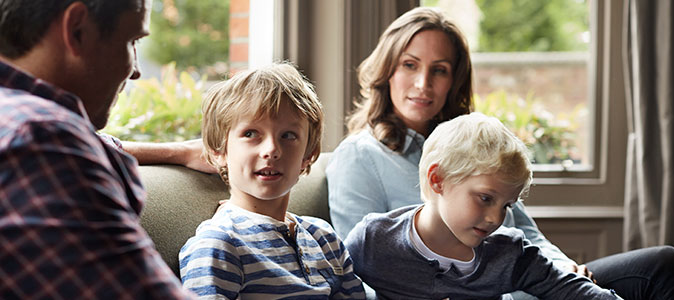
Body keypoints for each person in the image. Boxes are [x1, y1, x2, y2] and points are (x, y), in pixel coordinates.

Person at [326, 6, 674, 300]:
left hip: (533, 284)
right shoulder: (359, 157)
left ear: (454, 80)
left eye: (440, 70)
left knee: (661, 264)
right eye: (410, 65)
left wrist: (563, 264)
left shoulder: (475, 149)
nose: (423, 84)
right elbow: (360, 271)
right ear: (387, 71)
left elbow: (526, 232)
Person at [0, 0, 195, 299]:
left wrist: (180, 151)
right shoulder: (42, 141)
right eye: (132, 41)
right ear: (77, 30)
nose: (136, 72)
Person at [345, 112, 623, 299]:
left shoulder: (511, 254)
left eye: (507, 206)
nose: (495, 218)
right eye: (486, 198)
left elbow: (579, 292)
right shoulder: (372, 240)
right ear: (438, 179)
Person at [178, 63, 366, 299]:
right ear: (219, 151)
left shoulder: (324, 238)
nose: (272, 150)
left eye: (288, 135)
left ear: (307, 156)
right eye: (251, 134)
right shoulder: (219, 244)